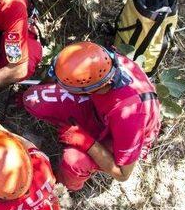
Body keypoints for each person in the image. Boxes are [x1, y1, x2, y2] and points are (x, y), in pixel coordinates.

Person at [22, 41, 162, 191]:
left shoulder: (130, 116)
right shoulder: (101, 60)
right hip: (99, 110)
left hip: (120, 134)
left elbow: (123, 174)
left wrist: (87, 143)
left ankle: (62, 186)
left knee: (74, 161)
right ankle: (83, 129)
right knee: (33, 98)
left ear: (85, 91)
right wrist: (40, 87)